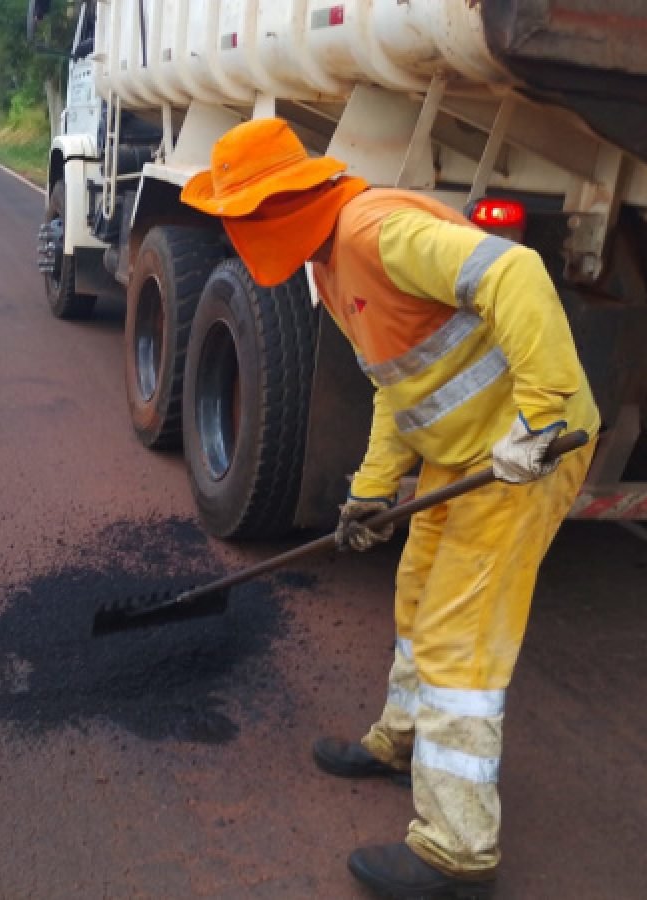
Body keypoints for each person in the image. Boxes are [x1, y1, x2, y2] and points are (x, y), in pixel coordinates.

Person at [181, 118, 599, 898]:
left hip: (525, 454)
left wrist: (540, 420)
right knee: (415, 594)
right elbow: (399, 388)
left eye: (241, 216)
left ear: (281, 204)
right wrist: (370, 495)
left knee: (457, 637)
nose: (237, 234)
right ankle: (401, 743)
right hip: (458, 451)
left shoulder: (374, 232)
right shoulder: (333, 265)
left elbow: (517, 273)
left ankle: (457, 847)